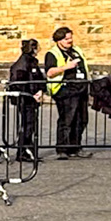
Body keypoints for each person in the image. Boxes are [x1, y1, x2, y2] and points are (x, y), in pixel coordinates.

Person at [45, 27, 91, 158]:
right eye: (66, 39)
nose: (70, 41)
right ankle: (62, 149)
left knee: (81, 120)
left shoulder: (76, 50)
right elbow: (50, 72)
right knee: (67, 120)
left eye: (71, 38)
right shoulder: (52, 53)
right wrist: (66, 67)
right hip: (65, 90)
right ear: (58, 40)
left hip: (80, 89)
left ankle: (75, 147)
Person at [8, 38, 45, 162]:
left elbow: (39, 78)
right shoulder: (23, 63)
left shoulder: (31, 61)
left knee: (31, 125)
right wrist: (29, 95)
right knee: (27, 125)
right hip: (25, 100)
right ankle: (23, 151)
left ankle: (28, 150)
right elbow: (18, 82)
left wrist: (40, 90)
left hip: (31, 99)